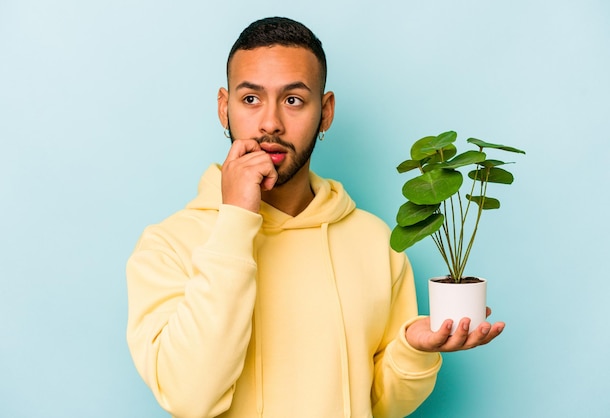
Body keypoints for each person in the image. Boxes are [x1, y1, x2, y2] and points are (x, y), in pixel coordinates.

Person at [126, 16, 505, 418]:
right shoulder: (167, 245)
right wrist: (235, 219)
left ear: (325, 112)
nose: (270, 122)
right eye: (251, 99)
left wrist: (412, 351)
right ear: (224, 108)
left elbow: (377, 405)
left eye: (293, 100)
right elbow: (189, 397)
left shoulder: (375, 242)